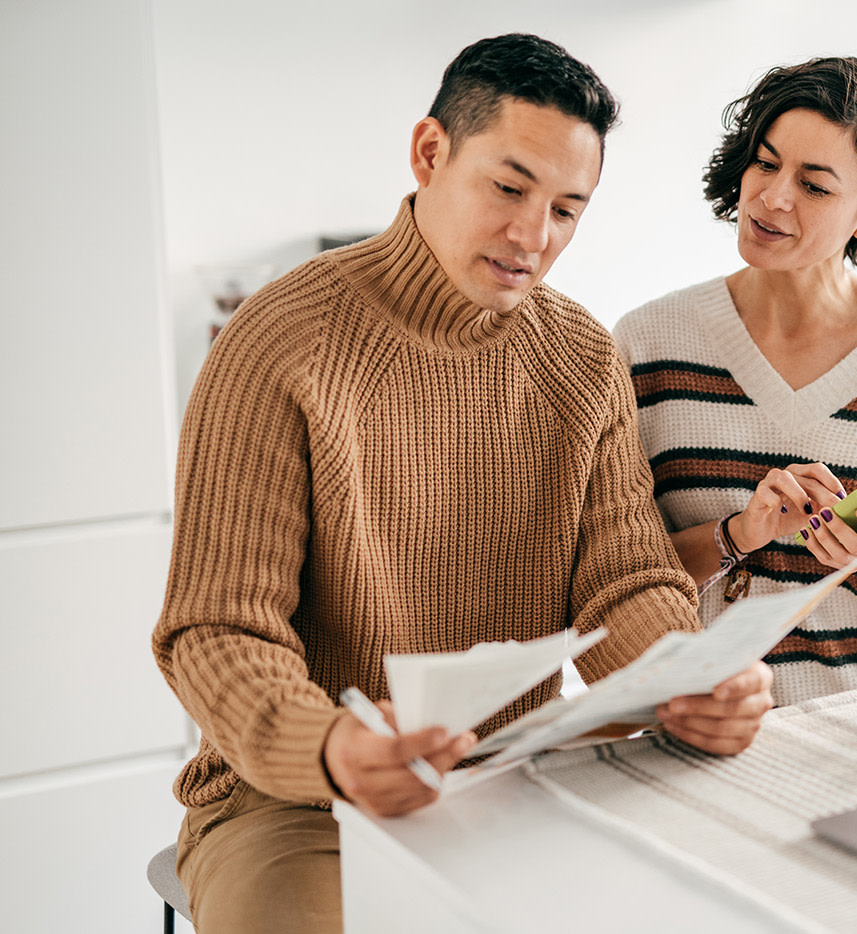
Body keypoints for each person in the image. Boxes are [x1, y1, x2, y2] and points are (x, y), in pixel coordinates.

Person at [152, 33, 772, 934]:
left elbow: (625, 580)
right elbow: (214, 629)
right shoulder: (277, 345)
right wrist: (330, 746)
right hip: (294, 804)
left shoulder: (582, 357)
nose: (535, 237)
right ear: (430, 152)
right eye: (510, 188)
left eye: (568, 209)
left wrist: (685, 679)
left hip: (512, 782)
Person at [614, 56, 857, 707]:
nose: (771, 197)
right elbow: (616, 577)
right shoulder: (647, 344)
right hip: (697, 720)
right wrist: (742, 533)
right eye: (765, 164)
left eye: (814, 185)